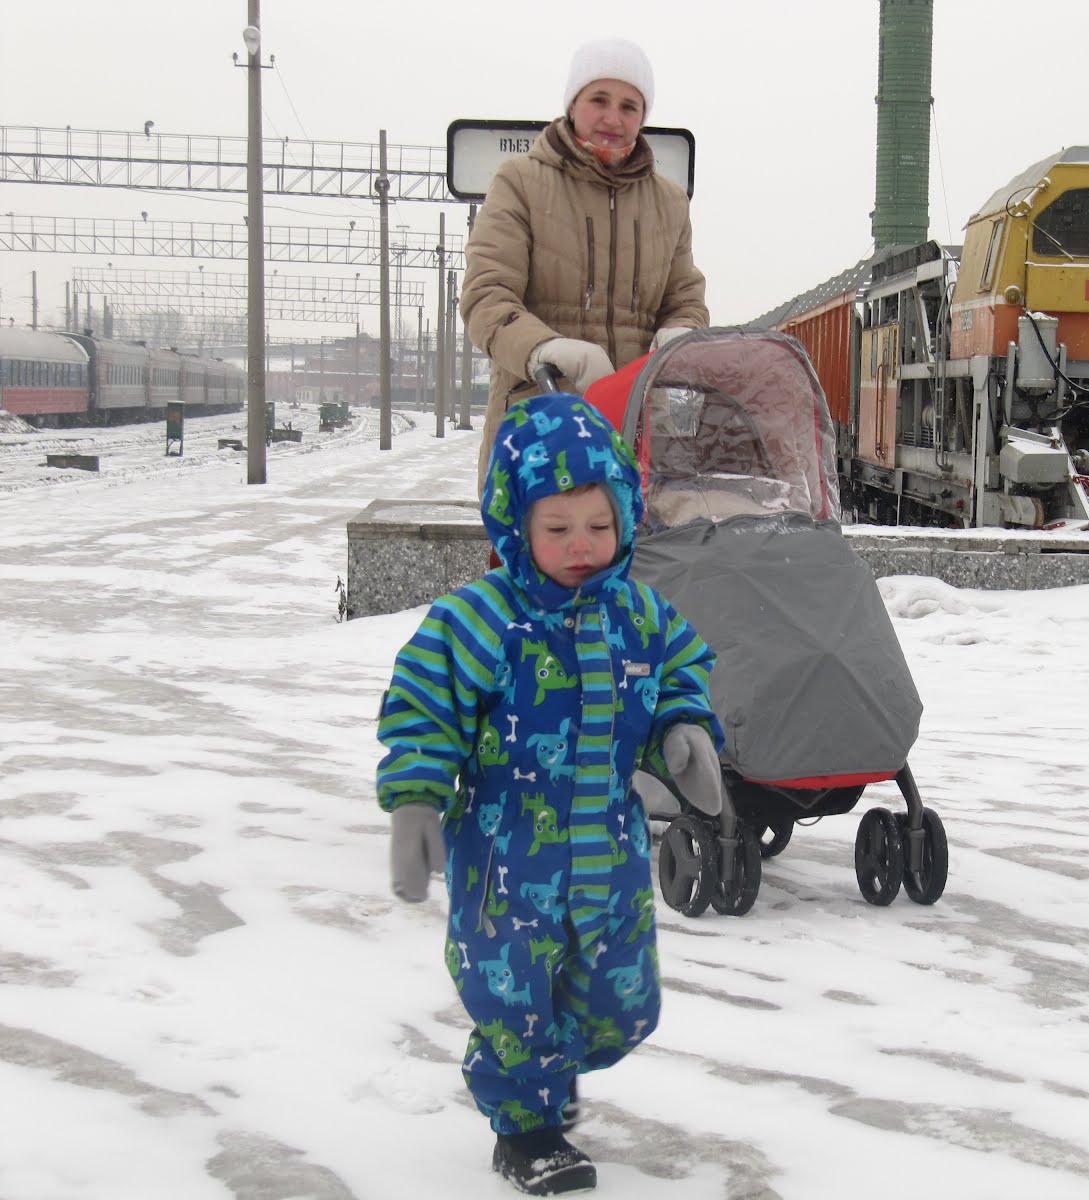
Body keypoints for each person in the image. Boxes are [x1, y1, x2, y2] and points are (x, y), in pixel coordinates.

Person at [376, 392, 726, 1196]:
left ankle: (554, 1064)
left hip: (610, 857)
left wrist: (682, 729)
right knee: (513, 998)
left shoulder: (640, 615)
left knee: (624, 1002)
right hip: (508, 866)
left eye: (599, 525)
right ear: (517, 527)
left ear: (626, 519)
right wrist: (416, 798)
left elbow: (681, 669)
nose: (581, 545)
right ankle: (525, 1127)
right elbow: (424, 703)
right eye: (558, 527)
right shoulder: (482, 620)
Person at [460, 35, 709, 493]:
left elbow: (685, 299)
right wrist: (544, 349)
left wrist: (682, 331)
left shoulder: (670, 203)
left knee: (638, 539)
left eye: (629, 106)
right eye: (599, 99)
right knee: (545, 539)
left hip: (634, 433)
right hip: (538, 424)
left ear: (643, 116)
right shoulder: (519, 183)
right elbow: (485, 296)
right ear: (573, 104)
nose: (613, 118)